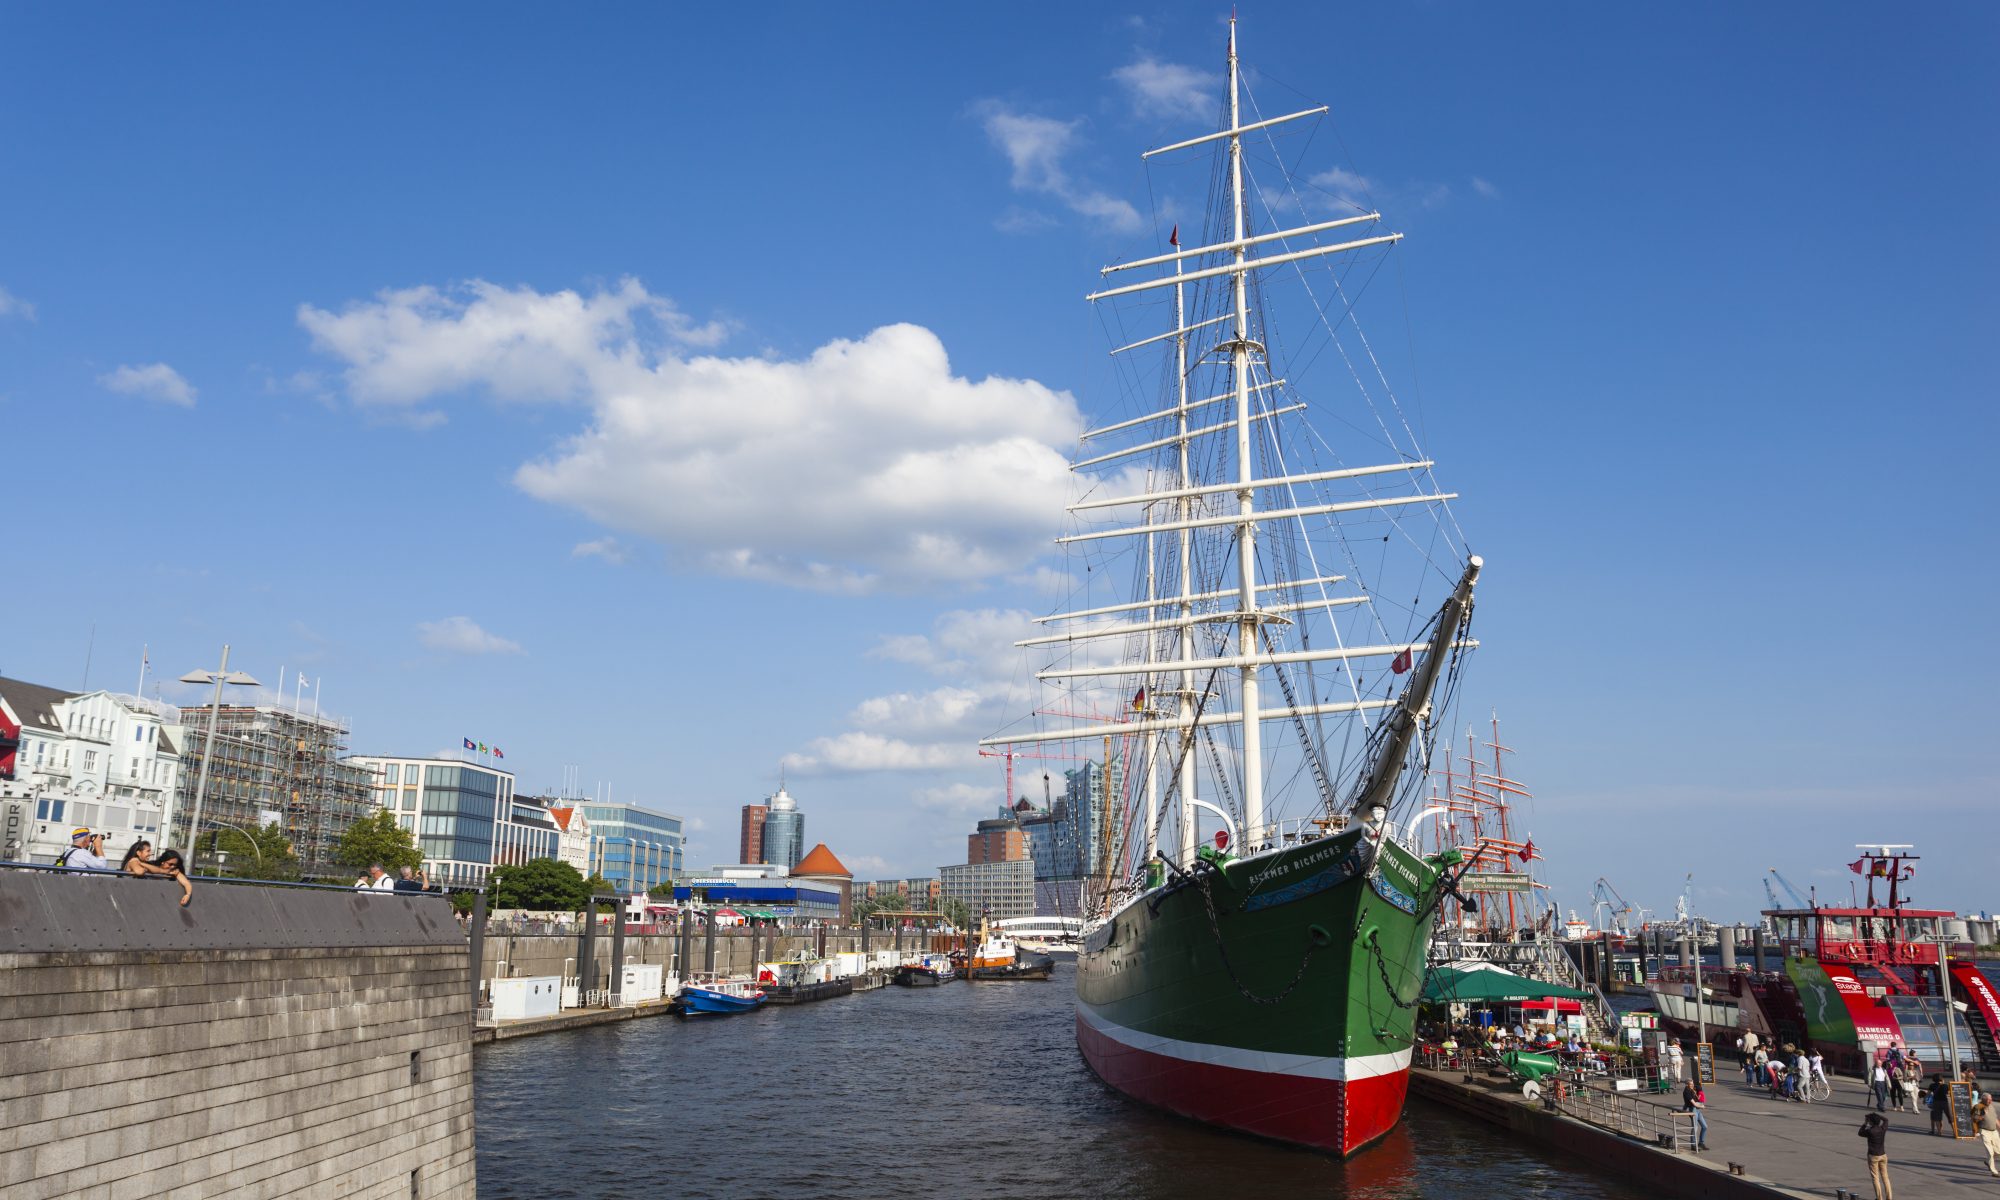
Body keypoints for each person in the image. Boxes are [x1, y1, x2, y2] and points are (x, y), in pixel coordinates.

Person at [121, 839, 193, 907]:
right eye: (148, 851)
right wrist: (143, 865)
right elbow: (139, 871)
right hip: (128, 896)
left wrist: (188, 894)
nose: (150, 854)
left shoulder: (170, 870)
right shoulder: (134, 861)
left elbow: (186, 883)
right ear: (139, 853)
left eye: (175, 865)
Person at [1859, 1111, 1891, 1200]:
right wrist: (1877, 1116)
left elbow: (1860, 1133)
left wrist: (1865, 1123)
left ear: (1871, 1122)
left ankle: (1879, 1197)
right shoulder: (1882, 1129)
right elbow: (1886, 1120)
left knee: (1875, 1177)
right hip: (1883, 1155)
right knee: (1885, 1177)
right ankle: (1889, 1197)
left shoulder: (1870, 1131)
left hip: (1873, 1156)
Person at [1975, 1092, 1999, 1177]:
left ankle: (1987, 1161)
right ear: (1983, 1099)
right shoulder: (1978, 1107)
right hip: (1984, 1131)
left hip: (1994, 1131)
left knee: (1998, 1151)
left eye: (1991, 1099)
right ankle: (1994, 1171)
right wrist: (1982, 1115)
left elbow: (1995, 1119)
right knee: (1990, 1152)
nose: (1990, 1101)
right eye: (1988, 1099)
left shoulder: (1992, 1106)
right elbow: (1975, 1119)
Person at [1681, 1078, 1708, 1151]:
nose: (1693, 1085)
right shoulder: (1687, 1092)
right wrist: (1702, 1106)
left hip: (1697, 1110)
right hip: (1693, 1110)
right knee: (1695, 1127)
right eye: (1691, 1084)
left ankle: (1701, 1143)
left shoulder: (1691, 1089)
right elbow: (1693, 1103)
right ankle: (1693, 1145)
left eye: (1693, 1084)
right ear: (1687, 1084)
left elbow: (1696, 1098)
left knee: (1705, 1126)